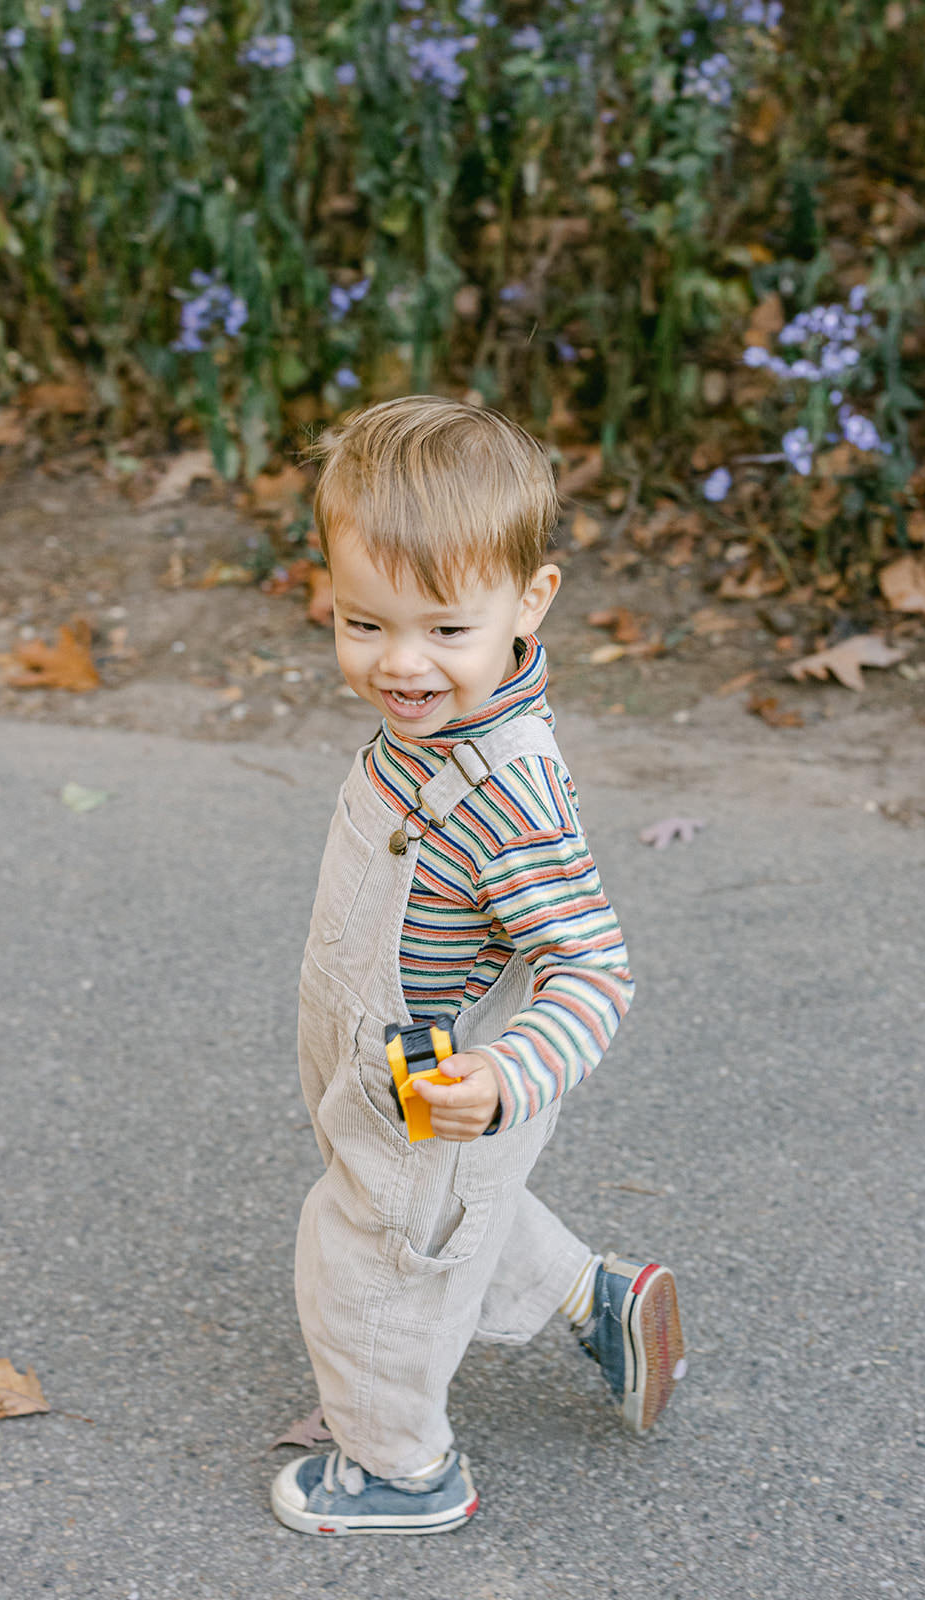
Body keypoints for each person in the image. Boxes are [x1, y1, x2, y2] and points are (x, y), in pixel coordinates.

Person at [271, 395, 685, 1538]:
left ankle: (401, 1466)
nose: (400, 664)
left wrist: (506, 1078)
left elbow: (595, 972)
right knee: (449, 1219)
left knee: (370, 1257)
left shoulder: (507, 789)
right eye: (363, 623)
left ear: (527, 603)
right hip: (379, 1064)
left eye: (443, 630)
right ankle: (588, 1298)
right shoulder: (431, 727)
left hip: (438, 1082)